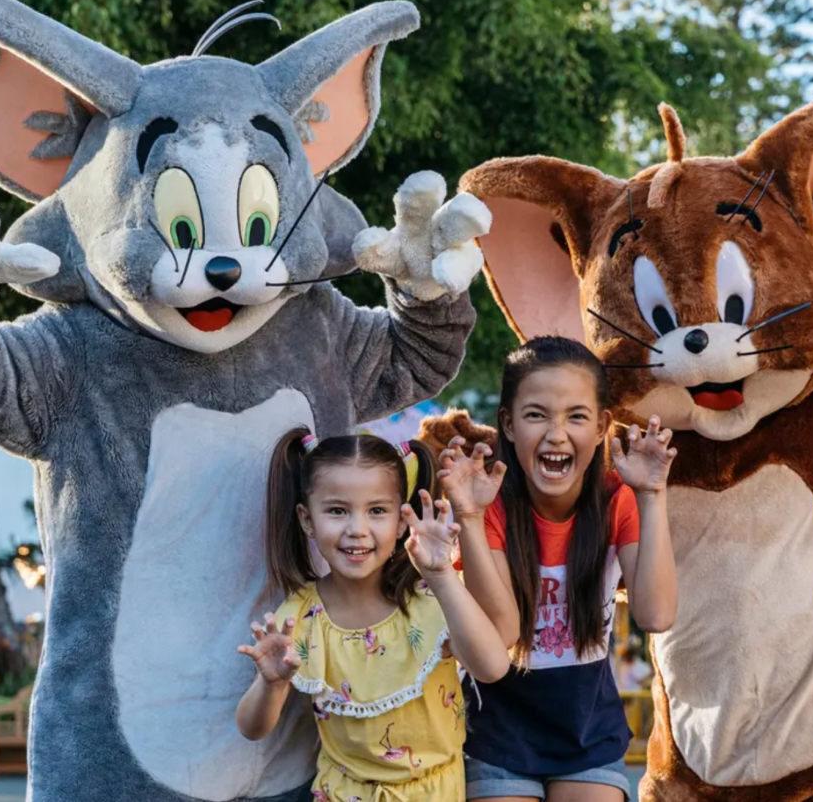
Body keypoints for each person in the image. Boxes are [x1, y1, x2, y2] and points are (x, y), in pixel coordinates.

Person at [439, 336, 678, 801]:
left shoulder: (618, 501)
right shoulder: (488, 504)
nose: (556, 433)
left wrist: (652, 496)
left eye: (576, 416)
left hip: (588, 737)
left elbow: (656, 615)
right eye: (536, 415)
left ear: (601, 426)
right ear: (507, 424)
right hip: (497, 735)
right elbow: (501, 633)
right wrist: (468, 517)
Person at [236, 428, 511, 801]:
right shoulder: (299, 616)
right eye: (337, 511)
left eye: (377, 511)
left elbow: (493, 667)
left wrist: (442, 575)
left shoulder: (431, 597)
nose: (357, 530)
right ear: (307, 520)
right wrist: (271, 684)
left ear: (401, 521)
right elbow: (252, 728)